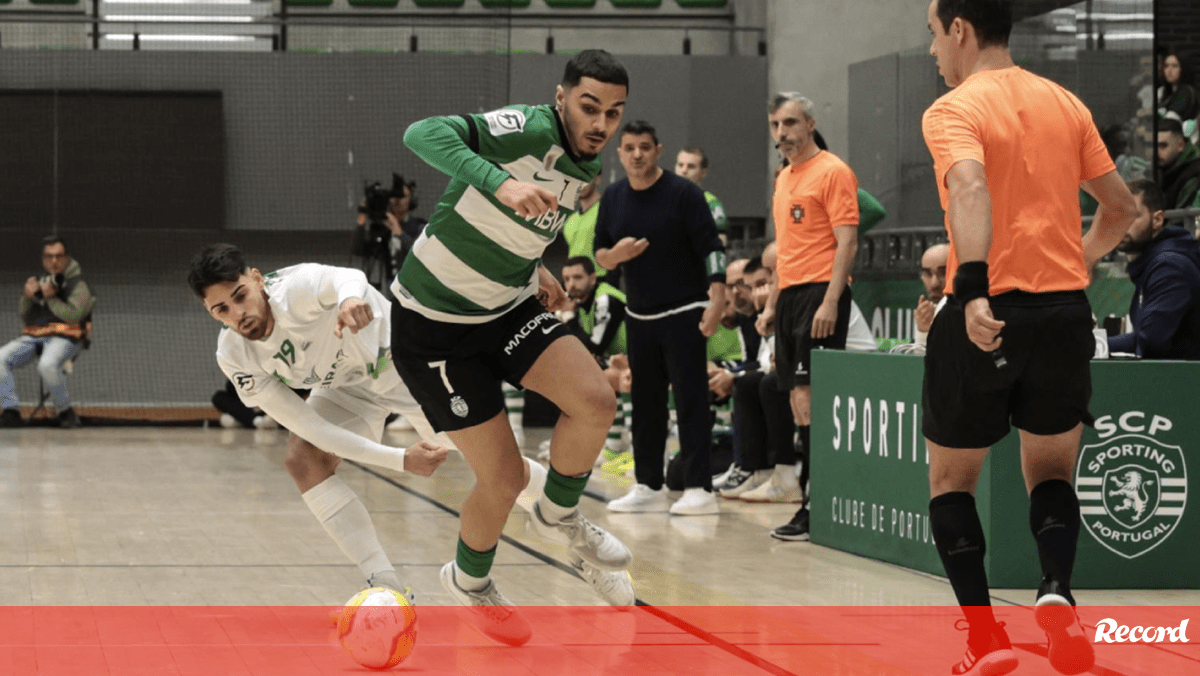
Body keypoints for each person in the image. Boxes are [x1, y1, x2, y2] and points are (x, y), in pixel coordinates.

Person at [921, 1, 1138, 674]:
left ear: (959, 29)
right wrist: (1078, 260)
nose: (932, 52)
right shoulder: (1065, 103)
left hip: (986, 310)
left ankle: (986, 643)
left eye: (933, 35)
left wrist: (976, 287)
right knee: (1051, 473)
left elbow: (970, 188)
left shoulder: (953, 109)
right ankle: (1055, 592)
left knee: (951, 482)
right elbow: (1122, 208)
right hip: (1065, 313)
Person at [392, 49, 636, 642]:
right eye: (589, 106)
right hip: (435, 327)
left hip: (506, 307)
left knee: (597, 401)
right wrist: (500, 182)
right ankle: (470, 582)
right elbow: (421, 133)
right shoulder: (527, 127)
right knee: (501, 481)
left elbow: (521, 231)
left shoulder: (585, 168)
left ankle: (558, 515)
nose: (601, 123)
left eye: (613, 112)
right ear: (561, 99)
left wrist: (537, 269)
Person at [187, 244, 451, 601]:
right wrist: (401, 459)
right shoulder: (234, 355)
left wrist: (349, 300)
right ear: (209, 311)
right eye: (222, 309)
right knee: (303, 458)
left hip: (406, 365)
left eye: (240, 296)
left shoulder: (294, 289)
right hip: (348, 388)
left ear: (256, 278)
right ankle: (384, 584)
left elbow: (348, 277)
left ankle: (550, 509)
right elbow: (314, 428)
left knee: (494, 463)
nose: (238, 313)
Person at [596, 120, 728, 516]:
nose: (637, 154)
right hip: (639, 314)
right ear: (620, 153)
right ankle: (648, 484)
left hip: (685, 311)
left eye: (645, 147)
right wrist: (617, 255)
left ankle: (699, 488)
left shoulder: (684, 194)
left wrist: (717, 301)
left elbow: (713, 249)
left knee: (689, 400)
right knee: (645, 402)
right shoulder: (614, 197)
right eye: (630, 147)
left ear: (658, 150)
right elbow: (601, 256)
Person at [757, 92, 860, 541]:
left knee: (811, 400)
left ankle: (816, 505)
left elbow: (848, 242)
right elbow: (784, 251)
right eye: (776, 125)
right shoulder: (784, 178)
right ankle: (810, 500)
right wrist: (771, 306)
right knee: (798, 403)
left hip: (821, 293)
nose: (783, 133)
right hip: (792, 297)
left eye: (791, 123)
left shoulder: (834, 171)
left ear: (811, 124)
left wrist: (832, 301)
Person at [0, 235, 96, 429]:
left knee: (47, 365)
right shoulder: (41, 281)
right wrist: (27, 297)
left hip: (66, 337)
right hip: (35, 337)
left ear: (67, 258)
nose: (54, 261)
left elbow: (73, 316)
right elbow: (27, 317)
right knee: (1, 358)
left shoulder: (78, 285)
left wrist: (50, 298)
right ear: (43, 259)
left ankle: (64, 411)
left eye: (59, 256)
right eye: (49, 256)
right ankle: (11, 411)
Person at [1108, 179, 1200, 360]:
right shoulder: (1150, 264)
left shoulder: (1170, 266)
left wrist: (1094, 345)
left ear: (1157, 219)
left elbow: (1150, 341)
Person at [561, 255, 630, 458]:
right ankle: (612, 444)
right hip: (616, 361)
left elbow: (594, 348)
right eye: (566, 279)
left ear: (592, 277)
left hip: (640, 360)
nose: (571, 285)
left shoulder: (605, 299)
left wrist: (569, 318)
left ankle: (624, 445)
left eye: (577, 277)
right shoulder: (581, 302)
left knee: (595, 374)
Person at [351, 173, 426, 296]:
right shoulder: (380, 228)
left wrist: (400, 233)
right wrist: (361, 222)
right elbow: (358, 250)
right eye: (395, 196)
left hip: (412, 291)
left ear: (411, 200)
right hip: (388, 292)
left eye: (403, 196)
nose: (398, 201)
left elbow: (422, 253)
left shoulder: (418, 226)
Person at [890, 242, 950, 355]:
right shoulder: (926, 315)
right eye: (927, 273)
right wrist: (923, 332)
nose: (934, 284)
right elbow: (922, 367)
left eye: (943, 273)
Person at [675, 147, 729, 244]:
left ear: (704, 172)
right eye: (680, 165)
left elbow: (721, 240)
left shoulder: (712, 203)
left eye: (691, 166)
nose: (683, 171)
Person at [1155, 116, 1200, 214]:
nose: (1157, 152)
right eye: (1155, 146)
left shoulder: (1194, 175)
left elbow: (1180, 219)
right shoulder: (1164, 169)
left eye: (1163, 146)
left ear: (1180, 145)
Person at [1158, 52, 1199, 122]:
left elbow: (1171, 118)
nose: (1169, 70)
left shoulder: (1186, 91)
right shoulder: (1165, 91)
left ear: (1182, 69)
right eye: (1166, 66)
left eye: (1174, 66)